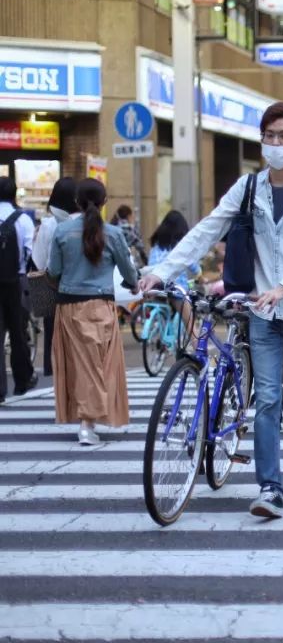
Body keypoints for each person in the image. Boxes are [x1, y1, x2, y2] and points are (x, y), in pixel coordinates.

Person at [140, 101, 283, 519]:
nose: (277, 143)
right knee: (265, 399)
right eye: (270, 136)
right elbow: (207, 229)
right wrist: (161, 271)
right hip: (262, 314)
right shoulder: (249, 188)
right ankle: (269, 487)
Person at [48, 179, 139, 444]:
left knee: (80, 366)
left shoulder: (62, 232)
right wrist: (133, 285)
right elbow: (127, 270)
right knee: (98, 365)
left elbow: (53, 271)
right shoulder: (113, 233)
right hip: (101, 307)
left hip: (68, 306)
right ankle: (88, 423)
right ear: (104, 202)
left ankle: (87, 420)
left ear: (76, 202)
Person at [31, 177, 79, 379]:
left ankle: (52, 370)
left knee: (52, 330)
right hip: (82, 289)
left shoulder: (48, 225)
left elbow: (39, 260)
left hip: (54, 285)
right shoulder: (87, 223)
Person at [0, 177, 37, 402]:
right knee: (18, 332)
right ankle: (22, 381)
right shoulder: (23, 219)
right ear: (14, 194)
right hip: (17, 282)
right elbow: (30, 252)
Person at [148, 210, 200, 291]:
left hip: (155, 289)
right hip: (176, 291)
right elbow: (195, 269)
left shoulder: (156, 246)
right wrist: (200, 274)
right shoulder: (182, 246)